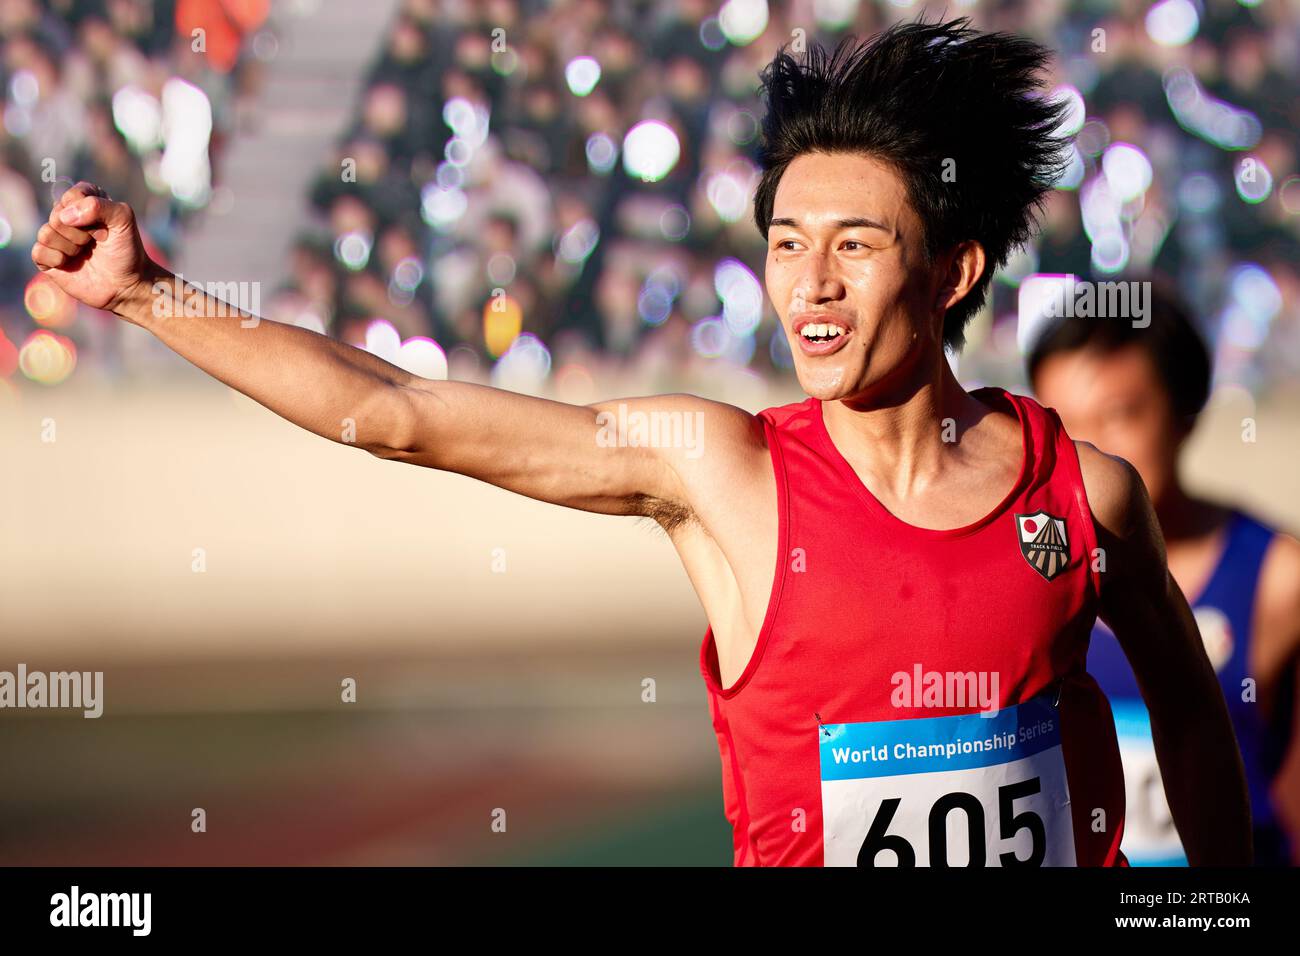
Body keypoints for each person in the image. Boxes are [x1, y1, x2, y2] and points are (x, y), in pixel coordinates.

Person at [29, 18, 1251, 866]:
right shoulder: (723, 471)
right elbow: (401, 412)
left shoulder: (1084, 492)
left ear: (951, 271)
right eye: (783, 240)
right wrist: (148, 294)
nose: (808, 285)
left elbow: (1194, 720)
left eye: (855, 244)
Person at [1029, 283, 1300, 866]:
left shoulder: (1280, 580)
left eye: (1122, 415)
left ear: (1187, 411)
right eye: (1062, 424)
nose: (1092, 453)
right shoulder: (1013, 583)